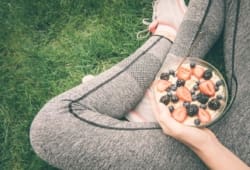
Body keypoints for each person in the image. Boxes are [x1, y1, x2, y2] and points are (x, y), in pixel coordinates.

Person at [30, 0, 250, 169]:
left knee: (52, 128)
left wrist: (205, 144)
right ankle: (167, 77)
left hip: (233, 150)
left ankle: (166, 36)